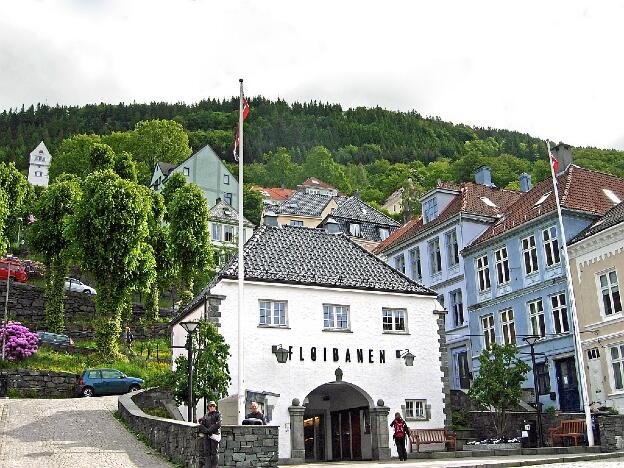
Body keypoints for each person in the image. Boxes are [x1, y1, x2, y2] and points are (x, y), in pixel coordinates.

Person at [199, 401, 222, 468]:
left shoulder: (218, 414)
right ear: (208, 407)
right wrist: (206, 431)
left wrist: (209, 430)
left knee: (214, 452)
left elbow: (218, 424)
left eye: (213, 406)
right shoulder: (206, 415)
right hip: (207, 436)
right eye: (210, 406)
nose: (212, 407)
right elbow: (201, 424)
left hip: (214, 435)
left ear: (215, 407)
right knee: (207, 453)